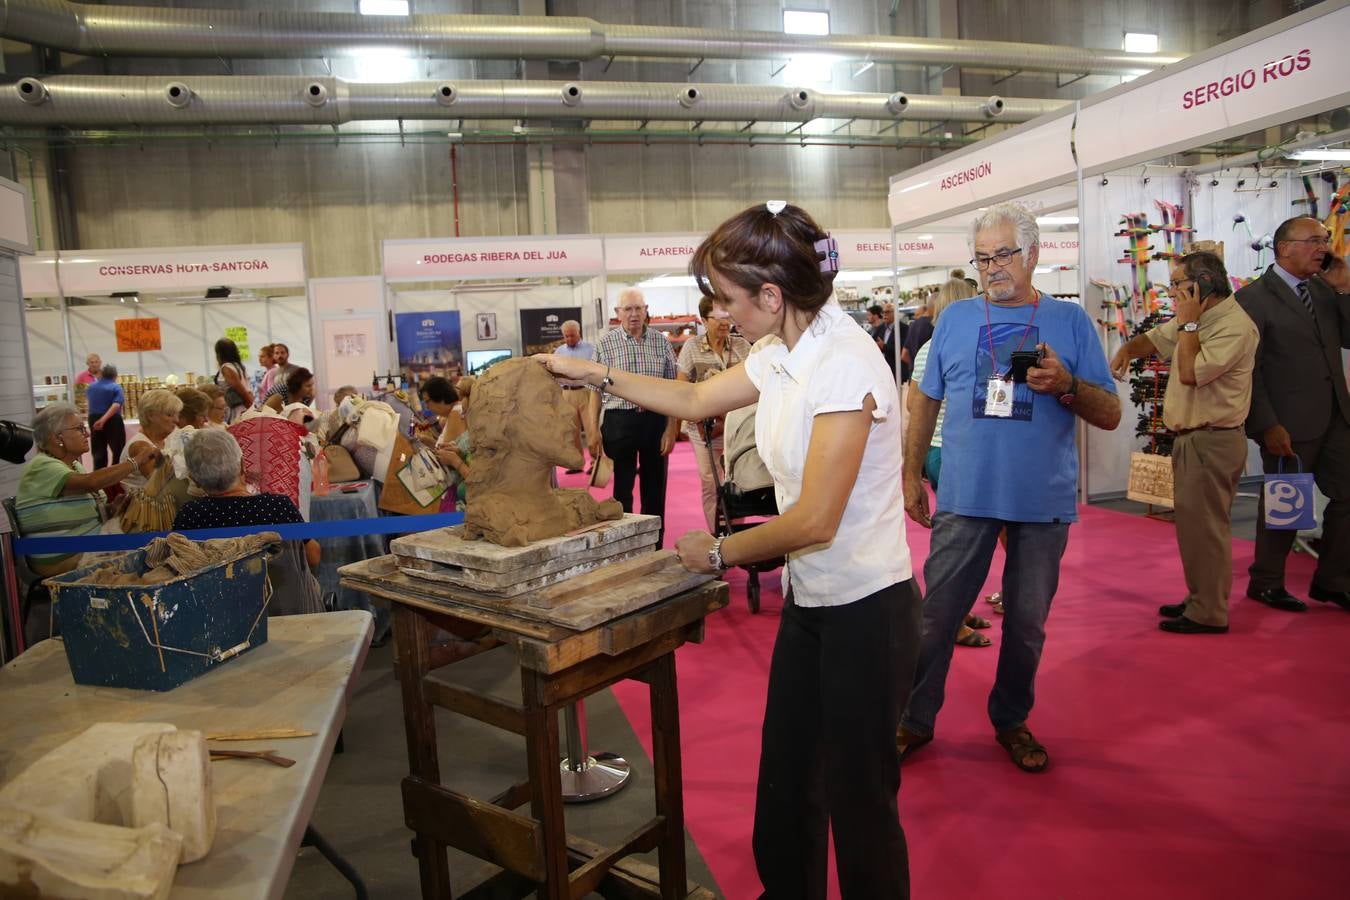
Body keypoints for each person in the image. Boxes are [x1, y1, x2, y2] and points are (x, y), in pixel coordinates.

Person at [543, 201, 921, 898]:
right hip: (812, 603)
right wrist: (594, 374)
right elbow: (693, 401)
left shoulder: (844, 363)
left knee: (860, 800)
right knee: (785, 785)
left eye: (727, 297)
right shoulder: (779, 352)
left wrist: (719, 551)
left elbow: (814, 521)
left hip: (868, 612)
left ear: (772, 297)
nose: (720, 310)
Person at [899, 202, 1120, 773]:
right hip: (966, 494)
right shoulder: (954, 320)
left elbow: (1111, 413)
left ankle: (1011, 718)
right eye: (982, 257)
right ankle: (912, 719)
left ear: (1035, 254)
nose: (992, 267)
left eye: (1003, 254)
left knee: (1026, 626)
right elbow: (926, 399)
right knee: (937, 615)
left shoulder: (1070, 323)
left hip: (1041, 500)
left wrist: (1067, 385)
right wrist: (910, 471)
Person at [1111, 251, 1259, 634]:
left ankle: (1208, 611)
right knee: (1195, 529)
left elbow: (1193, 373)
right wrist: (1127, 350)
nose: (1173, 291)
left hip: (1213, 440)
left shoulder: (1233, 326)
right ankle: (1200, 598)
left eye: (1178, 283)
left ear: (1203, 283)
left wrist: (1190, 328)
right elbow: (1156, 339)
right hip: (1193, 440)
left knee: (1206, 529)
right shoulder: (1194, 319)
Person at [1237, 216, 1350, 614]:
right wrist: (1266, 424)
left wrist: (1344, 289)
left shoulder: (1323, 290)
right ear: (1284, 247)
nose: (1324, 247)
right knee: (1286, 505)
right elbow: (1250, 369)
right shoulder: (1253, 299)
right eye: (1314, 240)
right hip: (1286, 421)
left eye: (1325, 239)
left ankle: (1333, 581)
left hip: (1336, 415)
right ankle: (1266, 583)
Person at [909, 278, 992, 649]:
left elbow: (915, 401)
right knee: (959, 545)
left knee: (962, 540)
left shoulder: (931, 346)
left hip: (943, 452)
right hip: (953, 451)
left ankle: (957, 610)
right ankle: (949, 619)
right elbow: (918, 403)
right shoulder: (950, 345)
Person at [173, 428, 324, 616]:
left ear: (194, 479)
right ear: (243, 465)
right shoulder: (276, 506)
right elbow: (313, 556)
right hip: (281, 610)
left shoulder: (189, 516)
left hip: (218, 617)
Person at [15, 403, 158, 576]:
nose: (87, 434)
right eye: (80, 429)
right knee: (155, 547)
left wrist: (112, 508)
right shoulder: (42, 465)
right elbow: (90, 483)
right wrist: (136, 461)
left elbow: (88, 498)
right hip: (65, 556)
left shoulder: (73, 465)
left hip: (86, 546)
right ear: (57, 438)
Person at [587, 287, 679, 541]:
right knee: (622, 489)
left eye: (639, 308)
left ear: (646, 311)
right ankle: (624, 544)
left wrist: (671, 430)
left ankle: (654, 545)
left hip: (654, 422)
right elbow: (594, 392)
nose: (634, 314)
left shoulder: (661, 342)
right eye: (628, 309)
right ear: (618, 313)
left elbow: (673, 389)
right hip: (619, 424)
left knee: (655, 489)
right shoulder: (605, 344)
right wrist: (593, 430)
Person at [676, 295, 753, 531]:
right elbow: (681, 386)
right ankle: (715, 532)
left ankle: (735, 532)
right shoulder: (691, 347)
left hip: (738, 429)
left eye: (727, 316)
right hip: (704, 430)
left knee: (737, 481)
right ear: (703, 320)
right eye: (717, 318)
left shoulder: (742, 346)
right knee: (710, 482)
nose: (724, 322)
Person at [419, 376, 471, 509]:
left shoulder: (456, 414)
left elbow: (444, 457)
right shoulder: (454, 413)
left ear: (441, 398)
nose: (427, 407)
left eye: (427, 401)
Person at [552, 319, 596, 472]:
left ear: (579, 333)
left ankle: (595, 462)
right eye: (566, 336)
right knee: (571, 430)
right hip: (566, 394)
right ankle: (577, 463)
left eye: (572, 335)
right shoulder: (558, 352)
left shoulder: (591, 350)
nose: (569, 339)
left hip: (586, 392)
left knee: (592, 428)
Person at [121, 388, 182, 493]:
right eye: (169, 415)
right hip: (145, 507)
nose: (176, 420)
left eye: (177, 414)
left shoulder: (169, 439)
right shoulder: (140, 446)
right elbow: (163, 485)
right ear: (150, 415)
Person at [85, 364, 126, 471]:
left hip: (93, 418)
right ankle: (116, 475)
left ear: (102, 374)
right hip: (112, 419)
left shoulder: (91, 387)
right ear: (115, 376)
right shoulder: (115, 387)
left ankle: (99, 476)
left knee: (98, 451)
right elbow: (116, 405)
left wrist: (99, 420)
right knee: (118, 450)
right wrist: (103, 420)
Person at [214, 338, 253, 422]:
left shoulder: (226, 368)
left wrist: (250, 405)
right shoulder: (238, 366)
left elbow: (241, 389)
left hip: (235, 408)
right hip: (242, 406)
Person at [900, 303, 934, 379]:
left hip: (913, 376)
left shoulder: (912, 326)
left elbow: (904, 355)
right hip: (928, 377)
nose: (915, 317)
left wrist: (914, 365)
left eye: (917, 315)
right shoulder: (933, 324)